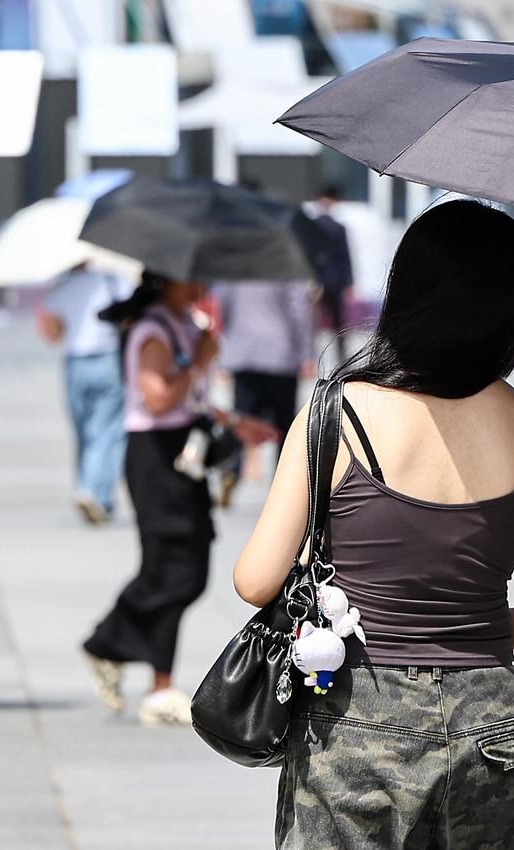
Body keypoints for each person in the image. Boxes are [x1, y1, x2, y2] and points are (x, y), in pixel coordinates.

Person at [233, 200, 514, 849]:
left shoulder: (336, 412)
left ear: (405, 292)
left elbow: (255, 580)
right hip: (488, 720)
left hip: (354, 708)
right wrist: (469, 628)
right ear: (512, 307)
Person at [82, 272, 277, 725]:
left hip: (183, 454)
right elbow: (157, 398)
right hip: (154, 458)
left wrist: (235, 424)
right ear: (165, 279)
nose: (200, 285)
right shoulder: (151, 329)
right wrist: (200, 359)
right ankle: (158, 685)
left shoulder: (183, 324)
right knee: (168, 569)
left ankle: (109, 645)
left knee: (185, 572)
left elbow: (191, 401)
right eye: (190, 278)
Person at [38, 263, 133, 524]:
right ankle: (94, 491)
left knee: (84, 430)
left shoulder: (60, 288)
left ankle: (89, 487)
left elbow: (52, 333)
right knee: (106, 430)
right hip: (107, 359)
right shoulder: (115, 281)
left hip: (75, 362)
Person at [210, 279, 315, 505]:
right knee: (284, 427)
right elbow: (299, 310)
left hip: (244, 350)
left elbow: (222, 304)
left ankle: (231, 470)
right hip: (280, 353)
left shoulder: (237, 265)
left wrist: (229, 340)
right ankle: (282, 484)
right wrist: (307, 352)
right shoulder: (286, 265)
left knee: (239, 417)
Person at [308, 186, 354, 362]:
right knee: (338, 323)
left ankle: (310, 357)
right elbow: (345, 255)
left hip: (317, 280)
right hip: (336, 279)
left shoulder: (312, 226)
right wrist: (349, 281)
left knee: (312, 322)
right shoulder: (338, 227)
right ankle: (342, 357)